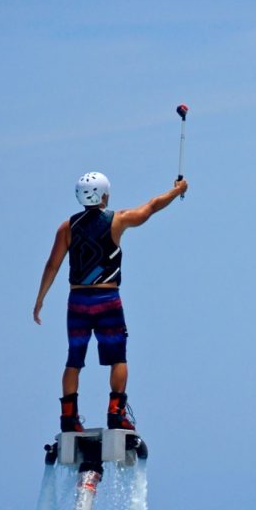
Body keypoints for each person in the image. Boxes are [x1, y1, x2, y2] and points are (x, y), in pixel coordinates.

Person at [33, 171, 188, 432]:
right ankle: (116, 414)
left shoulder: (66, 227)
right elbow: (151, 207)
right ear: (105, 193)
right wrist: (176, 190)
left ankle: (68, 419)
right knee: (117, 357)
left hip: (78, 301)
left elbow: (52, 265)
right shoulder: (117, 220)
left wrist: (40, 300)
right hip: (107, 299)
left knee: (74, 359)